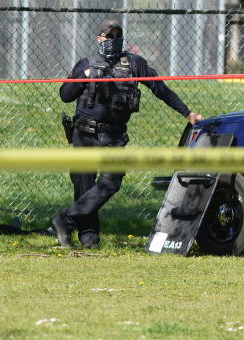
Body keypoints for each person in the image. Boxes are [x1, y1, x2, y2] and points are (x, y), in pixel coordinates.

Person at [50, 19, 203, 249]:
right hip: (84, 134)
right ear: (99, 39)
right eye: (108, 36)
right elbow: (65, 95)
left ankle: (64, 220)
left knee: (111, 182)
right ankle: (89, 239)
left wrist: (187, 113)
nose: (113, 41)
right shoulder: (86, 64)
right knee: (84, 185)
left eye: (117, 36)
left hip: (114, 136)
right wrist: (85, 77)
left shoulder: (134, 64)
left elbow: (160, 89)